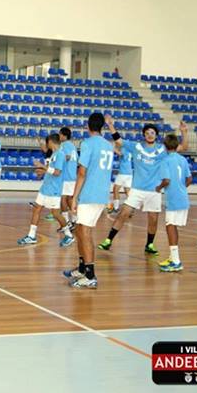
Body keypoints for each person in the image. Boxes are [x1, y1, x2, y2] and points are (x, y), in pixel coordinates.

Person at [98, 117, 189, 255]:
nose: (149, 135)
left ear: (156, 135)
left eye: (152, 133)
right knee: (124, 213)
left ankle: (149, 244)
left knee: (153, 219)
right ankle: (108, 240)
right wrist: (111, 125)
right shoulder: (136, 147)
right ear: (144, 135)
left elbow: (183, 147)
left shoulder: (162, 149)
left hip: (154, 191)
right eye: (147, 133)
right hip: (137, 189)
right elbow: (119, 140)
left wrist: (184, 132)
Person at [63, 113, 114, 289]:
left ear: (87, 126)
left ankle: (90, 276)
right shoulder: (108, 145)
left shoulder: (87, 143)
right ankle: (82, 268)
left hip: (90, 193)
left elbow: (82, 172)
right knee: (80, 230)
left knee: (85, 232)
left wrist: (74, 197)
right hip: (100, 192)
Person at [17, 134, 75, 247]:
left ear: (51, 142)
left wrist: (42, 166)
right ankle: (31, 236)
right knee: (36, 209)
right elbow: (51, 171)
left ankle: (69, 235)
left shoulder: (60, 154)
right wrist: (43, 172)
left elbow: (57, 172)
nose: (46, 145)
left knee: (56, 213)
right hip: (46, 188)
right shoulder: (54, 154)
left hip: (54, 189)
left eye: (47, 142)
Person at [157, 135, 192, 272]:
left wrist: (158, 188)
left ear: (165, 146)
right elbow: (189, 179)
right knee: (173, 226)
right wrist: (181, 188)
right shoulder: (182, 159)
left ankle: (176, 262)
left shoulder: (165, 161)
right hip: (183, 197)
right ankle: (173, 257)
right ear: (177, 146)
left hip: (173, 199)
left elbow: (166, 180)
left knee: (170, 227)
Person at [59, 127, 78, 228]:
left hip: (66, 176)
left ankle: (66, 222)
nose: (59, 136)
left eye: (60, 134)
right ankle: (75, 219)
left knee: (63, 198)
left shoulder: (64, 145)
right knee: (69, 199)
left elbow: (67, 157)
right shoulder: (73, 146)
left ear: (64, 135)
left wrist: (56, 160)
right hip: (72, 176)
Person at [109, 145, 133, 214]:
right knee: (127, 191)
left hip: (123, 173)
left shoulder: (124, 149)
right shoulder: (129, 150)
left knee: (115, 189)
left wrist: (112, 147)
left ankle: (116, 208)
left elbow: (121, 154)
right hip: (129, 173)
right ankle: (131, 209)